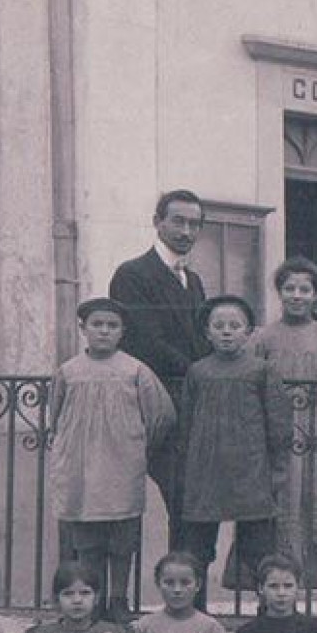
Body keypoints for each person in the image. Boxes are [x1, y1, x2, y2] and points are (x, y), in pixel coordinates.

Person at [48, 297, 175, 621]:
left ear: (122, 332)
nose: (104, 331)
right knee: (88, 539)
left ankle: (118, 600)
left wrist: (137, 448)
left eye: (112, 326)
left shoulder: (135, 370)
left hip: (122, 465)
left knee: (122, 538)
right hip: (82, 468)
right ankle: (94, 600)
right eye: (97, 325)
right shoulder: (69, 371)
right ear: (84, 329)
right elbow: (56, 416)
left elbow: (160, 415)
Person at [251, 257, 317, 611]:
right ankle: (282, 601)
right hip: (279, 441)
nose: (297, 295)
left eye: (304, 289)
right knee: (284, 515)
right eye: (290, 288)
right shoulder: (262, 338)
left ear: (316, 295)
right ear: (279, 292)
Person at [109, 189, 209, 550]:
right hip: (154, 406)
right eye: (178, 221)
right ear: (158, 223)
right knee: (175, 499)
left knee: (194, 506)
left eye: (194, 224)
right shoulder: (133, 274)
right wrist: (199, 371)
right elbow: (143, 341)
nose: (186, 231)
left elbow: (200, 337)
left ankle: (190, 596)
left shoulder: (193, 281)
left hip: (192, 406)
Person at [178, 294, 291, 607]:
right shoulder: (198, 372)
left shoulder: (261, 371)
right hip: (206, 473)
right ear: (207, 332)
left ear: (249, 331)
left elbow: (279, 426)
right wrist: (187, 471)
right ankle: (194, 608)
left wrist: (278, 469)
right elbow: (186, 426)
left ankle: (269, 609)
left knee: (259, 548)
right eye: (218, 325)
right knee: (198, 547)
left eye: (234, 325)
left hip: (251, 471)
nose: (226, 331)